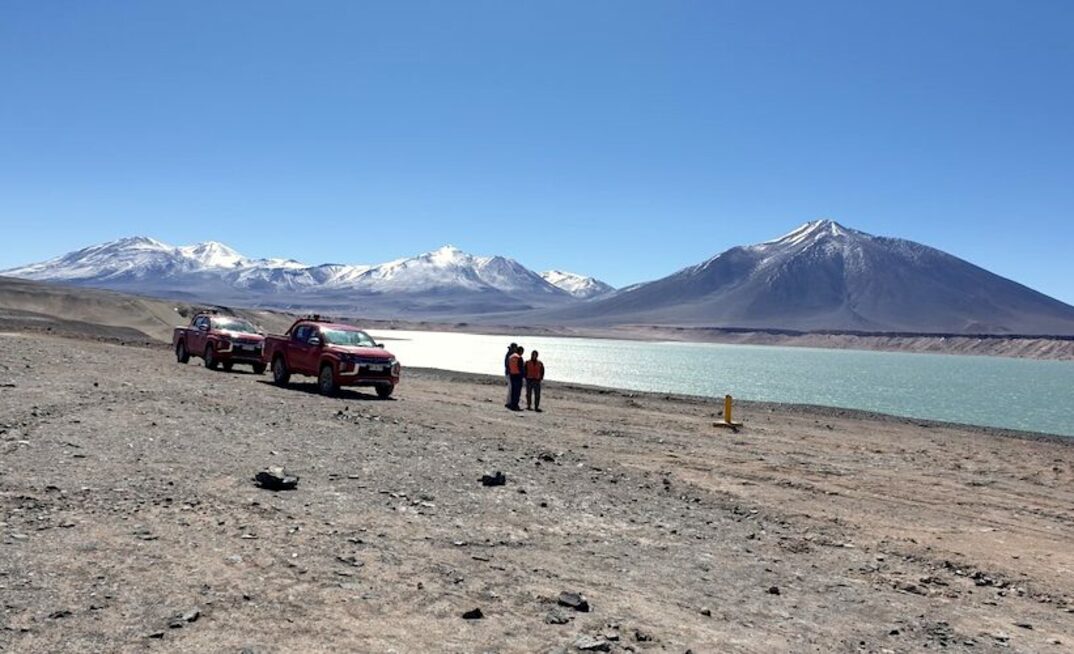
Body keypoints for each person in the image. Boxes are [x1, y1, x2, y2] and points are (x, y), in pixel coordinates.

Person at [507, 345, 525, 411]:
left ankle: (512, 404)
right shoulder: (519, 358)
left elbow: (508, 366)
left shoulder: (511, 357)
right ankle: (515, 405)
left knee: (513, 391)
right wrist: (523, 375)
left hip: (512, 375)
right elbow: (521, 368)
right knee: (517, 392)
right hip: (518, 376)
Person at [504, 342, 517, 407]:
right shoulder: (509, 355)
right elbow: (507, 365)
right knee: (510, 388)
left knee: (511, 388)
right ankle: (508, 402)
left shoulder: (511, 354)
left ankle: (510, 401)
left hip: (511, 373)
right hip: (509, 373)